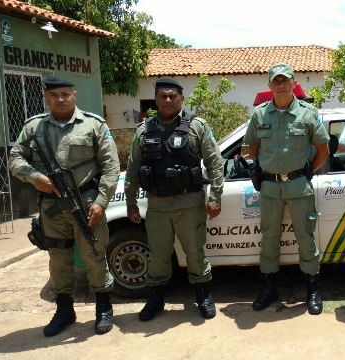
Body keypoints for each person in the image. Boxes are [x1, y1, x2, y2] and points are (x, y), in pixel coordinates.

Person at [8, 77, 120, 336]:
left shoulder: (93, 124)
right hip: (51, 208)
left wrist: (102, 201)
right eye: (55, 94)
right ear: (45, 97)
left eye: (66, 94)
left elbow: (111, 166)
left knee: (94, 256)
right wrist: (36, 178)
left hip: (87, 204)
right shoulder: (34, 127)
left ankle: (103, 308)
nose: (61, 98)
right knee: (58, 260)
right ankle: (64, 310)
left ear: (74, 95)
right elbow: (15, 159)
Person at [125, 78, 224, 321]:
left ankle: (202, 295)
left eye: (173, 96)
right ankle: (156, 298)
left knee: (194, 253)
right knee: (158, 255)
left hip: (189, 204)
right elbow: (133, 166)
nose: (168, 100)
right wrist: (130, 201)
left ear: (181, 98)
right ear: (156, 99)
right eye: (163, 96)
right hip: (157, 206)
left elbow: (214, 162)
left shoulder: (197, 126)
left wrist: (216, 196)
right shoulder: (144, 130)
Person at [244, 62, 330, 315]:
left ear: (294, 83)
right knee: (269, 238)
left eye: (285, 80)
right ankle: (269, 288)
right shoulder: (259, 115)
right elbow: (252, 148)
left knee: (305, 238)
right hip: (270, 186)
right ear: (270, 85)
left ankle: (312, 289)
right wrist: (260, 169)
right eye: (276, 81)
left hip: (298, 185)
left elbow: (323, 149)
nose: (281, 84)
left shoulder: (308, 113)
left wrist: (306, 172)